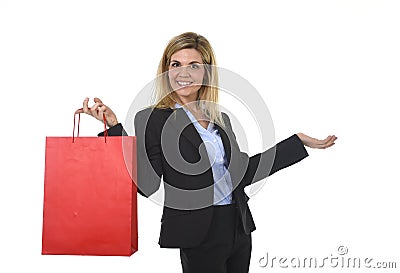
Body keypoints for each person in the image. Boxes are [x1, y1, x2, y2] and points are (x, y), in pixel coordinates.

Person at [79, 32, 337, 273]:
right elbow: (147, 185)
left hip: (238, 225)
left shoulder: (220, 118)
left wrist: (297, 143)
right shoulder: (152, 119)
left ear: (206, 73)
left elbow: (243, 173)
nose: (184, 73)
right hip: (197, 232)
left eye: (194, 65)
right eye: (175, 64)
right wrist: (115, 129)